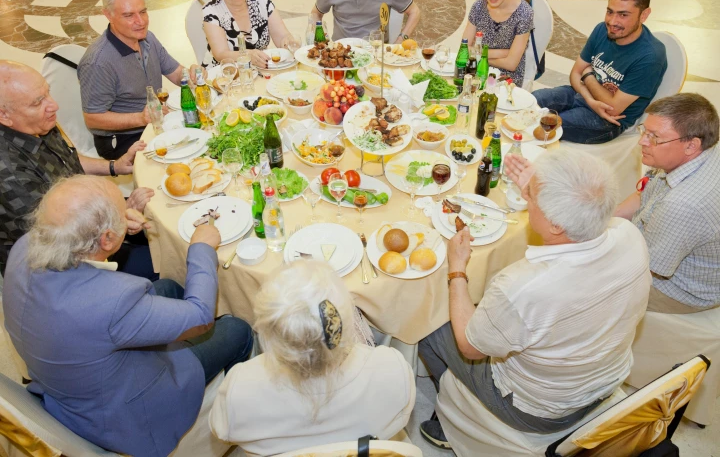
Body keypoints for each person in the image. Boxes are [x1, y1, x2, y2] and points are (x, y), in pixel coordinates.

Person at [3, 175, 253, 457]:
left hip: (73, 375)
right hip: (127, 408)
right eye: (120, 214)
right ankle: (241, 416)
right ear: (106, 239)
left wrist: (120, 230)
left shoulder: (23, 247)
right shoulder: (111, 301)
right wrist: (202, 248)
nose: (127, 215)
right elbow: (201, 316)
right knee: (238, 329)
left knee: (170, 287)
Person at [418, 150, 650, 449]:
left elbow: (469, 346)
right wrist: (542, 183)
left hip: (539, 411)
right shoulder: (630, 235)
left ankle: (451, 418)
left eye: (531, 197)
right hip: (606, 379)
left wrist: (457, 269)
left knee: (427, 326)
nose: (526, 198)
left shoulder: (524, 287)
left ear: (555, 224)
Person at [210, 261, 416, 456]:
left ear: (267, 333)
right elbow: (401, 416)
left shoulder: (238, 392)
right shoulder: (392, 370)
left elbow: (220, 430)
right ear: (346, 324)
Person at [0, 60, 155, 279]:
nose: (54, 105)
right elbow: (59, 238)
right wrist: (119, 215)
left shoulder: (36, 122)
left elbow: (67, 161)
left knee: (157, 214)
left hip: (89, 222)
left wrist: (115, 166)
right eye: (37, 102)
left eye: (47, 93)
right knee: (160, 265)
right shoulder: (9, 174)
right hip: (59, 266)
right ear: (4, 115)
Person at [615, 93, 720, 313]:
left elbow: (646, 267)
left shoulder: (682, 205)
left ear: (691, 146)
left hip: (678, 290)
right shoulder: (700, 151)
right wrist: (606, 220)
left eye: (654, 137)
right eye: (645, 130)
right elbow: (647, 192)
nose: (642, 141)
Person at [532, 0, 667, 144]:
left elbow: (613, 107)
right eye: (610, 11)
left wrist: (587, 75)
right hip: (581, 95)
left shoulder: (650, 56)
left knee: (544, 125)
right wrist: (590, 99)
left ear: (644, 15)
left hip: (606, 121)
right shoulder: (601, 30)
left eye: (623, 15)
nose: (612, 21)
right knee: (529, 102)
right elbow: (575, 73)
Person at [78, 0, 204, 160]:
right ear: (108, 15)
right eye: (129, 15)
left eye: (143, 12)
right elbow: (93, 118)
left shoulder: (147, 38)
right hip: (123, 137)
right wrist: (141, 118)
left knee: (205, 128)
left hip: (155, 120)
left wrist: (191, 74)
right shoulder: (98, 62)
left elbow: (175, 72)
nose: (140, 21)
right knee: (189, 152)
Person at [462, 0, 533, 86]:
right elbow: (464, 50)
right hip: (476, 73)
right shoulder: (478, 7)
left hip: (507, 79)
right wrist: (503, 53)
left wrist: (479, 56)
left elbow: (511, 64)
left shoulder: (524, 12)